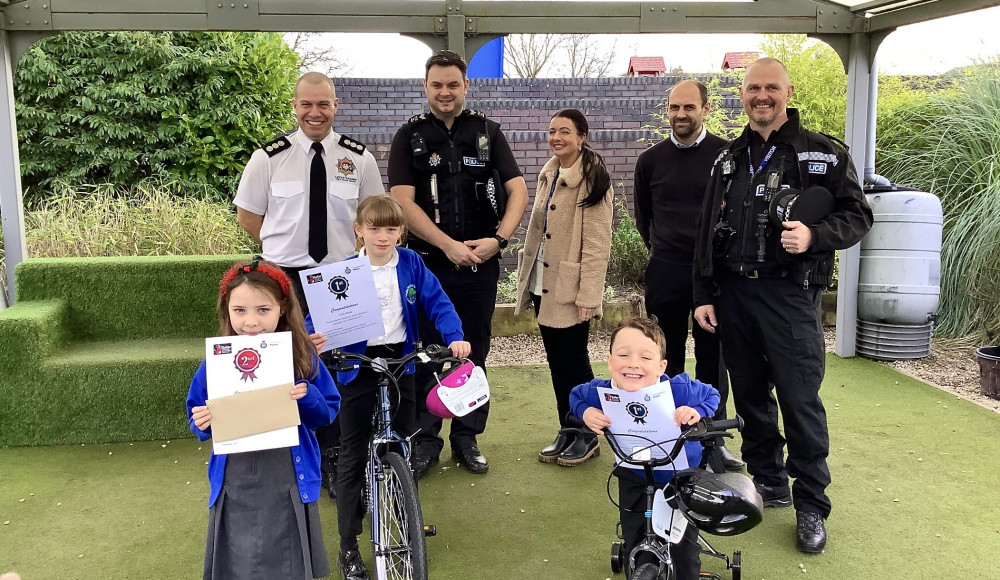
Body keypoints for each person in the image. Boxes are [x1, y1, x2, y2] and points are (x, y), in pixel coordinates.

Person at [693, 58, 873, 554]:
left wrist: (816, 235)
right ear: (743, 95)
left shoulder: (823, 154)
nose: (761, 96)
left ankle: (811, 504)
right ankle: (768, 479)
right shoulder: (727, 158)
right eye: (753, 89)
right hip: (734, 296)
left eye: (771, 87)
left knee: (799, 400)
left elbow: (859, 215)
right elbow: (706, 231)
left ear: (787, 92)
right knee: (749, 394)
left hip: (792, 296)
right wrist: (703, 294)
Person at [234, 71, 384, 498]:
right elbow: (249, 217)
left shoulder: (359, 158)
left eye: (323, 104)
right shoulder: (268, 157)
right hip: (283, 277)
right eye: (306, 104)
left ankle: (337, 454)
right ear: (295, 106)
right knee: (283, 364)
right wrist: (282, 247)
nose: (314, 112)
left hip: (338, 276)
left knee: (341, 367)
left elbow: (372, 213)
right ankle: (285, 452)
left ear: (336, 105)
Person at [388, 50, 529, 478]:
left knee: (474, 351)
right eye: (437, 85)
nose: (445, 92)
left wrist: (499, 239)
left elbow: (518, 191)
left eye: (453, 84)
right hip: (428, 266)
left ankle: (467, 438)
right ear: (426, 87)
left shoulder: (488, 132)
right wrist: (447, 245)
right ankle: (426, 441)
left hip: (481, 266)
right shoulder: (408, 136)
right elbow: (401, 201)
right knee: (427, 351)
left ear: (466, 86)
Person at [332, 195, 471, 580]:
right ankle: (348, 547)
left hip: (399, 357)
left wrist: (455, 336)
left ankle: (401, 505)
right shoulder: (344, 270)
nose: (383, 236)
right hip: (357, 360)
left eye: (391, 228)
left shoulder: (412, 263)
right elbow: (319, 317)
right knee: (354, 451)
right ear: (359, 230)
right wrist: (315, 338)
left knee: (403, 437)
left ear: (401, 232)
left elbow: (437, 301)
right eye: (374, 228)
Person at [186, 260, 342, 579]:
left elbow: (327, 411)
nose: (251, 321)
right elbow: (196, 413)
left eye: (262, 310)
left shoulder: (302, 355)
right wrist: (202, 421)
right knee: (238, 560)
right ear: (226, 309)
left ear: (282, 308)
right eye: (240, 310)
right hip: (236, 476)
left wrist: (307, 395)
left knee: (289, 559)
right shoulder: (217, 360)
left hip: (287, 471)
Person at [633, 79, 744, 472]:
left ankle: (711, 439)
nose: (681, 115)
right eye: (675, 108)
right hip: (665, 270)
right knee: (667, 358)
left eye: (689, 108)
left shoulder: (726, 155)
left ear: (706, 109)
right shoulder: (649, 161)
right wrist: (664, 249)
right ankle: (668, 436)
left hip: (713, 274)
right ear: (668, 110)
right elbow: (643, 217)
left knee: (713, 360)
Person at [570, 316, 719, 580]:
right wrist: (587, 412)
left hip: (680, 474)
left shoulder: (678, 388)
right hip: (633, 472)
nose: (633, 364)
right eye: (623, 355)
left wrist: (695, 411)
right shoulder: (602, 391)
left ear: (661, 366)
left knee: (682, 544)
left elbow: (711, 395)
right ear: (609, 360)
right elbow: (576, 396)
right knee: (634, 534)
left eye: (645, 358)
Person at [513, 108, 613, 466]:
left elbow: (598, 243)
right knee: (558, 363)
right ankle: (567, 427)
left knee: (575, 363)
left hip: (570, 289)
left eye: (565, 132)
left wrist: (589, 296)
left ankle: (587, 433)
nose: (556, 137)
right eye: (552, 131)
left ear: (581, 136)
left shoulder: (593, 179)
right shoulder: (549, 174)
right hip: (544, 284)